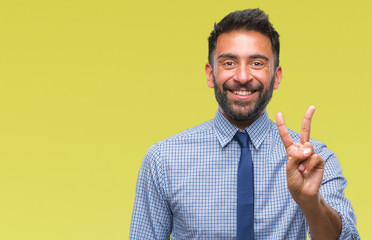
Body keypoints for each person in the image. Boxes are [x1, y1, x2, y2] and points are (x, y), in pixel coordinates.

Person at [130, 9, 359, 239]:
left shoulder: (313, 161)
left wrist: (312, 202)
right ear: (211, 75)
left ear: (276, 76)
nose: (242, 76)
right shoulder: (164, 160)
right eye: (229, 63)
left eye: (257, 63)